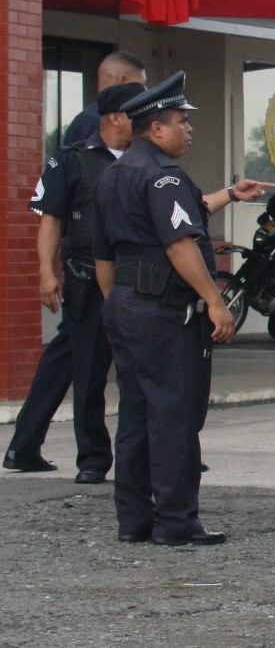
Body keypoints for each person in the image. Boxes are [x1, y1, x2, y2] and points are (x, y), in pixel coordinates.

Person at [93, 73, 269, 545]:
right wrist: (215, 301)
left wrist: (118, 306)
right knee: (174, 414)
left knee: (135, 414)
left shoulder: (113, 174)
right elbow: (179, 243)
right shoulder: (164, 175)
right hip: (163, 311)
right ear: (156, 128)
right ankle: (176, 521)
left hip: (125, 304)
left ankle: (135, 520)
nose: (188, 129)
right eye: (181, 121)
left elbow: (103, 257)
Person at [8, 81, 143, 479]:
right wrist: (46, 271)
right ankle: (93, 460)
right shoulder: (73, 158)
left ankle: (161, 451)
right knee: (88, 374)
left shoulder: (148, 157)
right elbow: (51, 218)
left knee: (139, 370)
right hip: (86, 278)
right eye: (136, 113)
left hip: (136, 278)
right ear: (115, 117)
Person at [62, 50, 146, 148]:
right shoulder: (92, 122)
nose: (145, 89)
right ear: (122, 81)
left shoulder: (86, 119)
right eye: (142, 84)